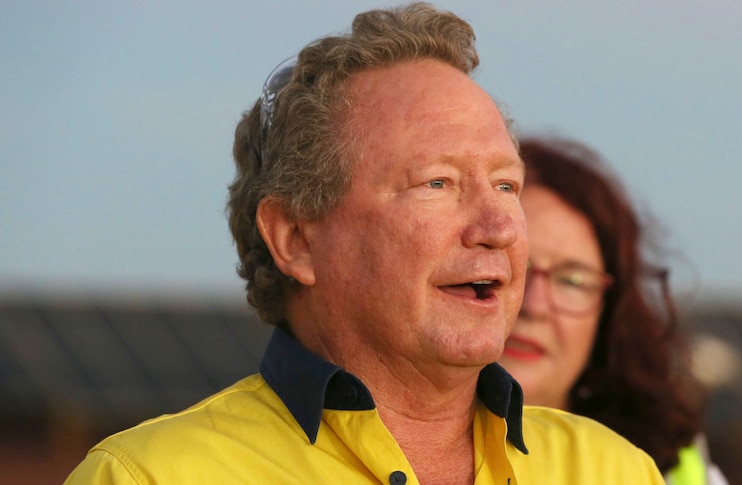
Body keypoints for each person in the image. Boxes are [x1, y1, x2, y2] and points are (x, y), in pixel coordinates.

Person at [65, 4, 664, 483]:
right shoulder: (150, 477)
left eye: (507, 185)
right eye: (438, 183)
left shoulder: (614, 471)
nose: (499, 227)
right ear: (296, 240)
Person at [498, 137, 727, 485]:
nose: (534, 305)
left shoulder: (674, 471)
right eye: (515, 265)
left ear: (610, 313)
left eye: (573, 280)